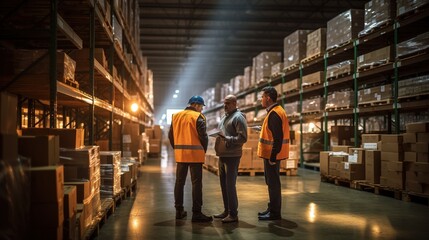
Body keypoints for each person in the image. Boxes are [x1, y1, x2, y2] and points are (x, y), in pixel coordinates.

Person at [168, 95, 213, 222]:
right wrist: (203, 149)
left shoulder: (176, 116)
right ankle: (197, 213)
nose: (201, 110)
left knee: (179, 183)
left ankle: (179, 211)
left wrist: (177, 148)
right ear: (196, 105)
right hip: (195, 156)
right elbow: (204, 137)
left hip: (181, 155)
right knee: (196, 184)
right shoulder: (198, 117)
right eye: (201, 107)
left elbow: (170, 136)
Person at [257, 86, 290, 220]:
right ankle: (271, 208)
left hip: (272, 156)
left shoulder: (275, 113)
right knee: (271, 183)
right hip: (271, 155)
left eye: (262, 97)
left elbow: (278, 137)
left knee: (273, 184)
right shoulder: (274, 111)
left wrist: (273, 156)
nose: (261, 100)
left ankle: (275, 213)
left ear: (268, 98)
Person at [213, 95, 248, 223]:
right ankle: (226, 210)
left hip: (232, 156)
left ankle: (233, 214)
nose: (225, 105)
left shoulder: (238, 117)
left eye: (227, 103)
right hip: (223, 155)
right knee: (223, 184)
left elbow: (243, 138)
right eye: (224, 103)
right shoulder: (225, 117)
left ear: (234, 103)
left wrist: (228, 139)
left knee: (230, 185)